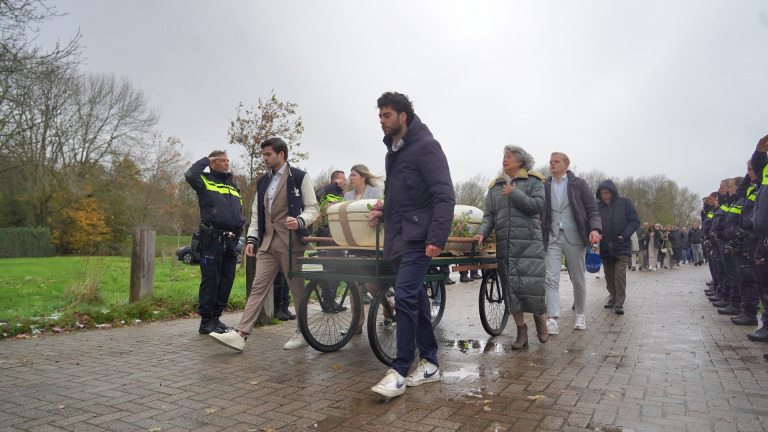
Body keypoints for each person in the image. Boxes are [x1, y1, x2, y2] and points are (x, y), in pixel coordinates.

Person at [368, 92, 455, 398]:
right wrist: (382, 210)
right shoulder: (394, 151)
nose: (381, 121)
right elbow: (397, 195)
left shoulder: (426, 147)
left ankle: (399, 370)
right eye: (379, 116)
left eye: (387, 115)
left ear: (403, 116)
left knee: (404, 296)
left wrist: (436, 238)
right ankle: (430, 364)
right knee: (415, 302)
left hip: (419, 238)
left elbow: (445, 195)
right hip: (397, 237)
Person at [209, 138, 319, 352]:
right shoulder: (262, 181)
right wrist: (251, 239)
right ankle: (241, 335)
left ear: (281, 154)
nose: (265, 158)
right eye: (263, 155)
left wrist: (300, 221)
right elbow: (256, 213)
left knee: (297, 291)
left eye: (268, 154)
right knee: (258, 289)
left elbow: (313, 208)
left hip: (291, 243)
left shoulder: (299, 177)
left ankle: (302, 332)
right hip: (267, 243)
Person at [474, 145, 549, 349]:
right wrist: (482, 231)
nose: (505, 160)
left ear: (520, 161)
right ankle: (521, 332)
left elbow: (536, 206)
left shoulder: (534, 181)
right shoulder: (495, 186)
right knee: (511, 290)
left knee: (532, 286)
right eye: (504, 157)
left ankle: (540, 318)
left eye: (509, 157)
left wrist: (514, 193)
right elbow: (489, 214)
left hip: (529, 244)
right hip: (506, 246)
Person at [184, 150, 246, 335]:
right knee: (211, 280)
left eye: (228, 160)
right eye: (222, 160)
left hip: (231, 240)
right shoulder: (204, 180)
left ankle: (216, 319)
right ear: (212, 164)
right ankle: (206, 322)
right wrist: (207, 159)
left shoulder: (233, 185)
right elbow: (190, 174)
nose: (227, 163)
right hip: (212, 240)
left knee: (226, 281)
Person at [539, 152, 601, 335]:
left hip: (574, 236)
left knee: (578, 278)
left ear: (566, 164)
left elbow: (592, 209)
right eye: (550, 162)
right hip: (552, 237)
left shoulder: (579, 184)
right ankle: (552, 319)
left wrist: (595, 229)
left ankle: (580, 314)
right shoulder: (545, 185)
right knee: (551, 278)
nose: (552, 164)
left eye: (556, 161)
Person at [343, 163, 385, 331]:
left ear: (363, 177)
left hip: (371, 242)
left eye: (353, 175)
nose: (350, 178)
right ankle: (357, 323)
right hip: (353, 243)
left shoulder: (375, 193)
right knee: (353, 283)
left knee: (370, 284)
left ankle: (389, 308)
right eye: (350, 175)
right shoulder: (347, 196)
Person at [595, 179, 640, 315]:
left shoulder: (625, 203)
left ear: (613, 192)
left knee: (619, 275)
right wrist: (596, 232)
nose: (605, 195)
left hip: (621, 245)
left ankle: (619, 303)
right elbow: (592, 221)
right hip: (605, 246)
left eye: (607, 192)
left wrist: (624, 235)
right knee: (609, 276)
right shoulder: (597, 207)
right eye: (602, 193)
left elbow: (634, 221)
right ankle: (613, 297)